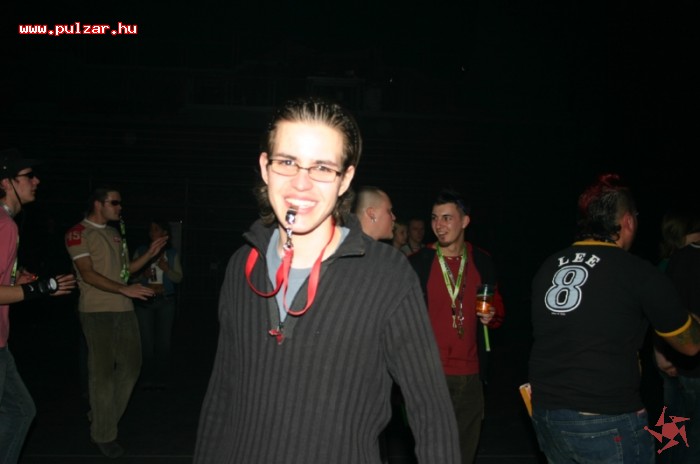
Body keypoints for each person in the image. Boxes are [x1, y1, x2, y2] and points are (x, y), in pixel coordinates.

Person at [194, 96, 460, 463]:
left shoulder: (388, 276)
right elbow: (221, 396)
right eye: (287, 162)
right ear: (265, 167)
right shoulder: (242, 265)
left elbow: (431, 412)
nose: (301, 184)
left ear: (345, 179)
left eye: (321, 167)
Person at [528, 173, 700, 464]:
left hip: (548, 414)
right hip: (605, 418)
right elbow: (691, 345)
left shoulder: (549, 265)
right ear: (628, 221)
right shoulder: (636, 271)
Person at [65, 187, 168, 459]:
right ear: (98, 204)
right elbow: (87, 274)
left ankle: (102, 416)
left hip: (124, 308)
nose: (120, 207)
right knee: (101, 374)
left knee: (132, 367)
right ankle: (104, 434)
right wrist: (124, 289)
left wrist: (150, 254)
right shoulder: (78, 233)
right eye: (115, 202)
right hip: (96, 311)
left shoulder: (114, 233)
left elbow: (125, 271)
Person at [408, 188, 505, 464]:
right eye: (434, 218)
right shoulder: (418, 263)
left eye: (447, 218)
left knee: (463, 454)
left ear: (464, 221)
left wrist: (493, 315)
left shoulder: (482, 261)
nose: (439, 225)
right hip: (430, 375)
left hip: (471, 375)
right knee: (432, 454)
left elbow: (498, 309)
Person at [0, 148, 76, 464]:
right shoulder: (5, 225)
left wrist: (16, 279)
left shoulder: (7, 223)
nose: (36, 181)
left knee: (21, 410)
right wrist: (42, 287)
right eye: (28, 176)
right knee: (19, 411)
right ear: (6, 182)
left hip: (1, 344)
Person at [653, 210, 700, 463]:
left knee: (673, 423)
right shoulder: (675, 263)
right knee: (690, 433)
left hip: (673, 358)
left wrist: (660, 353)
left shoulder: (671, 262)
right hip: (684, 360)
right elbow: (661, 313)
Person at [131, 220, 183, 390]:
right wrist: (142, 275)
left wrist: (167, 269)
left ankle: (161, 377)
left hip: (166, 301)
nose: (152, 232)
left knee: (163, 342)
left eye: (156, 229)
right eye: (150, 229)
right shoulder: (141, 251)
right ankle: (146, 377)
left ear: (164, 233)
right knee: (146, 342)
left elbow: (178, 278)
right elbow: (130, 277)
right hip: (145, 301)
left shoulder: (171, 254)